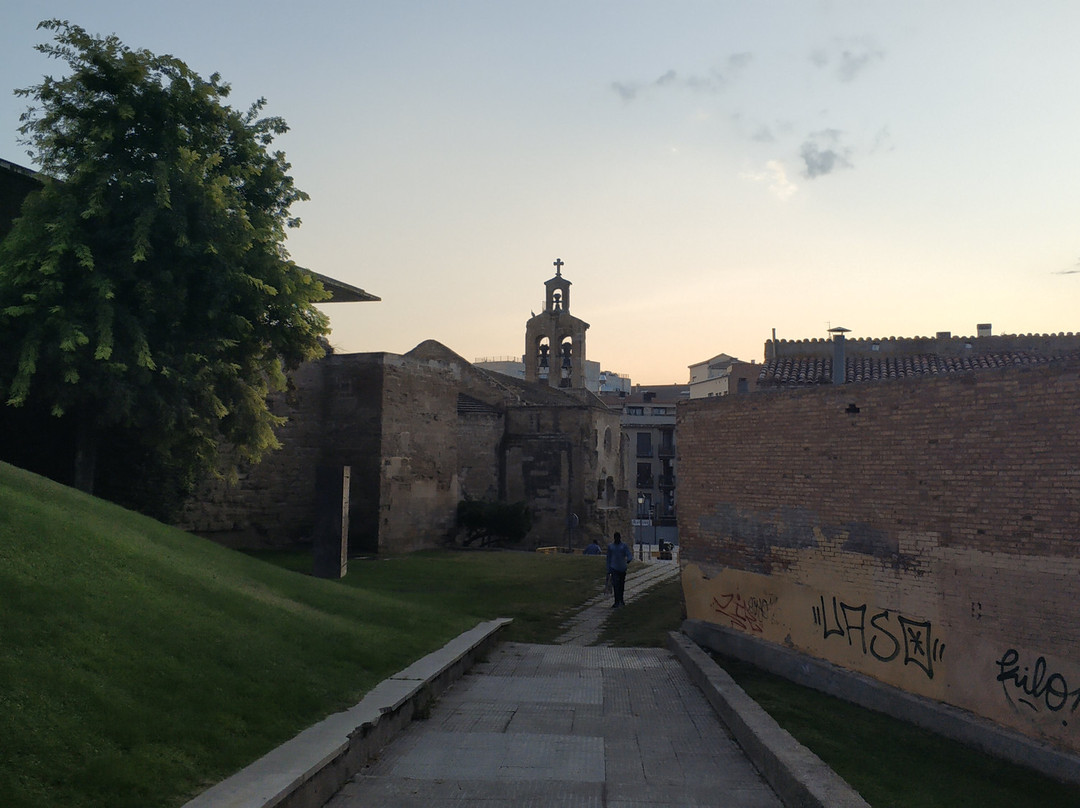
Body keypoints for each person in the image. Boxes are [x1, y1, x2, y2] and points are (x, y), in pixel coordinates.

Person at [606, 531, 632, 607]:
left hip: (622, 568)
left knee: (621, 585)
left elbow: (629, 554)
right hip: (614, 568)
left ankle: (621, 599)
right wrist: (608, 569)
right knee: (616, 585)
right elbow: (608, 558)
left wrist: (629, 559)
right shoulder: (611, 547)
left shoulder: (624, 546)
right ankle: (617, 601)